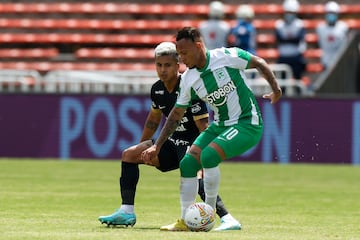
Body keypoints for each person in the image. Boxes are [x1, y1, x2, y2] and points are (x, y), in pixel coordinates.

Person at [141, 27, 282, 231]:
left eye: (184, 53)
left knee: (208, 156)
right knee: (188, 163)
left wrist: (276, 90)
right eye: (179, 53)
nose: (182, 58)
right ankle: (185, 220)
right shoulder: (189, 79)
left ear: (198, 46)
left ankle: (219, 218)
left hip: (246, 123)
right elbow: (175, 116)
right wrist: (158, 146)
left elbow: (259, 62)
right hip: (220, 126)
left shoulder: (227, 56)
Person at [98, 42, 241, 231]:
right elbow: (153, 121)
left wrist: (204, 156)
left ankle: (228, 218)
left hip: (191, 144)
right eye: (159, 65)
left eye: (168, 65)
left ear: (178, 65)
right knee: (129, 155)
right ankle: (127, 212)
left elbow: (203, 127)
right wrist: (143, 147)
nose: (163, 70)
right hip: (170, 144)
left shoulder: (191, 87)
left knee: (195, 178)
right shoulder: (157, 89)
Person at [275, 0, 307, 80]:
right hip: (283, 56)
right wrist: (292, 39)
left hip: (296, 56)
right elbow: (279, 39)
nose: (289, 15)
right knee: (282, 83)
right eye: (288, 12)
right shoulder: (279, 24)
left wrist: (286, 39)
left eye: (291, 12)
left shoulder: (300, 24)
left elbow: (298, 40)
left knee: (298, 80)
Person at [316, 1, 349, 70]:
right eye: (329, 13)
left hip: (340, 61)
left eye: (333, 13)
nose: (331, 15)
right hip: (326, 61)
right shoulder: (320, 28)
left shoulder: (343, 27)